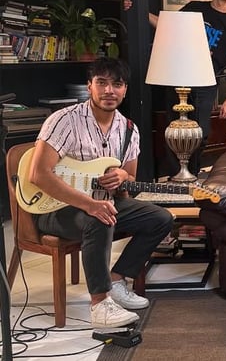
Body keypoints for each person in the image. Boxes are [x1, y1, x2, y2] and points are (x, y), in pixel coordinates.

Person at [27, 58, 174, 328]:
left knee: (161, 218)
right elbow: (38, 174)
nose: (109, 90)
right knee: (100, 216)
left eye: (116, 84)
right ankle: (100, 304)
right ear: (89, 86)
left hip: (102, 203)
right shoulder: (64, 120)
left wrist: (123, 177)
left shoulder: (129, 130)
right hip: (54, 207)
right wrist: (89, 204)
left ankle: (116, 280)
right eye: (102, 83)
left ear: (125, 89)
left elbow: (129, 181)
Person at [149, 0, 226, 176]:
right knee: (174, 129)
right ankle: (175, 175)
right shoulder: (195, 8)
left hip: (206, 82)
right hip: (179, 76)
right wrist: (140, 12)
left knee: (201, 132)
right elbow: (167, 26)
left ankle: (192, 173)